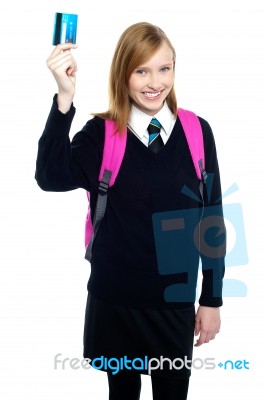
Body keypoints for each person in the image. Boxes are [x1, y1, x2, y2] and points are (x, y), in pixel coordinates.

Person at [35, 22, 225, 400]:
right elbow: (49, 176)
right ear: (124, 74)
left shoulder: (197, 131)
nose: (154, 82)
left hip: (173, 305)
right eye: (141, 70)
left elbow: (212, 218)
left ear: (174, 69)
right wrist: (63, 98)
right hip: (115, 301)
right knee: (122, 394)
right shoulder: (102, 133)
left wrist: (212, 298)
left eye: (163, 69)